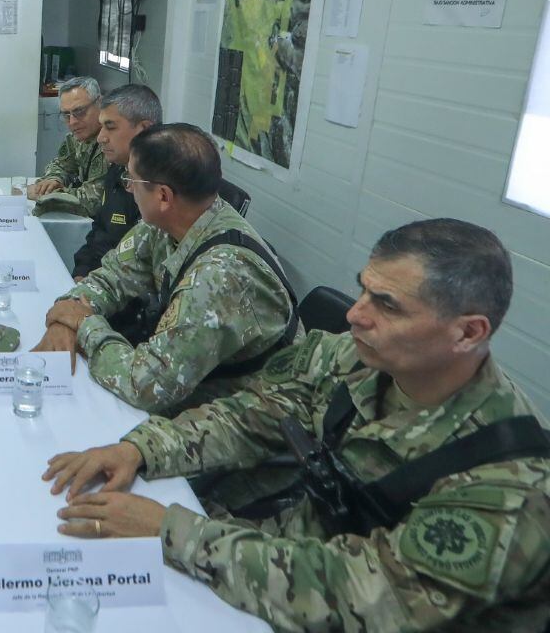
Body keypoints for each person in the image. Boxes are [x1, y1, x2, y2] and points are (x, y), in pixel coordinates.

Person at [43, 219, 550, 632]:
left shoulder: (508, 481)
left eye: (387, 305)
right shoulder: (351, 360)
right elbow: (250, 416)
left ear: (468, 332)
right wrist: (142, 449)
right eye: (364, 291)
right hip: (289, 553)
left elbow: (370, 598)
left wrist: (170, 530)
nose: (355, 314)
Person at [34, 123, 297, 415]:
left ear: (163, 196)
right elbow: (111, 278)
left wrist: (84, 325)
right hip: (194, 382)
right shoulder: (169, 222)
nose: (129, 189)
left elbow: (146, 386)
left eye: (131, 180)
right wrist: (65, 317)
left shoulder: (219, 277)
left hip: (249, 413)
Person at [71, 83, 162, 280]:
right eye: (101, 127)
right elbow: (100, 234)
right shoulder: (118, 168)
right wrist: (81, 274)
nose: (101, 138)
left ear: (145, 129)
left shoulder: (160, 186)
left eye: (110, 127)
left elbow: (142, 270)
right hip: (103, 285)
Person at [26, 77, 108, 216]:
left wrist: (51, 194)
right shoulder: (76, 137)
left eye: (80, 111)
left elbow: (94, 200)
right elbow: (60, 165)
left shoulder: (110, 142)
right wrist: (53, 180)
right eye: (66, 114)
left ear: (99, 103)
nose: (72, 122)